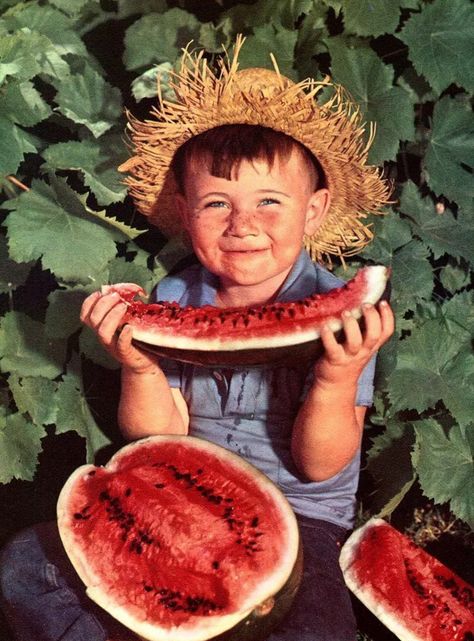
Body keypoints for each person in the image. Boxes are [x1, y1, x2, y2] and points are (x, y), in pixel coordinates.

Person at [0, 38, 394, 641]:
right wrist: (138, 367)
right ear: (184, 212)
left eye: (269, 201)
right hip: (180, 498)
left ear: (313, 211)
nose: (243, 225)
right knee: (24, 569)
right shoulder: (174, 298)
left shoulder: (341, 317)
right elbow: (160, 441)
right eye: (217, 203)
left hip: (304, 523)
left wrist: (338, 375)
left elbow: (319, 467)